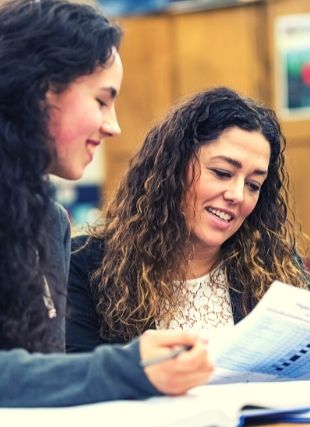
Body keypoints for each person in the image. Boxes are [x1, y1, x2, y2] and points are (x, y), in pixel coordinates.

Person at [0, 0, 213, 407]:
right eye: (102, 100)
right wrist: (127, 368)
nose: (114, 126)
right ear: (40, 90)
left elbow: (44, 375)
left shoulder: (49, 220)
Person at [67, 86, 310, 352]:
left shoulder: (277, 270)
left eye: (254, 185)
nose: (238, 195)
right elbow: (78, 379)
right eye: (222, 172)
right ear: (173, 169)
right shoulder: (87, 268)